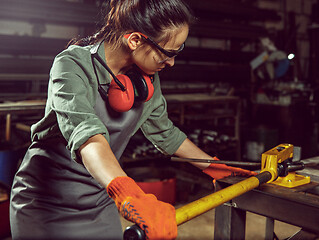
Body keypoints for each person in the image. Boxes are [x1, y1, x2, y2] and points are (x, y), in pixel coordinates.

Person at [10, 0, 255, 239]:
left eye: (177, 51)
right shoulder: (71, 65)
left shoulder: (145, 79)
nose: (171, 62)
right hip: (45, 202)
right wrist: (130, 196)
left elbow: (165, 133)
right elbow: (87, 137)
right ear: (135, 40)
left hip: (98, 201)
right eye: (167, 53)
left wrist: (216, 168)